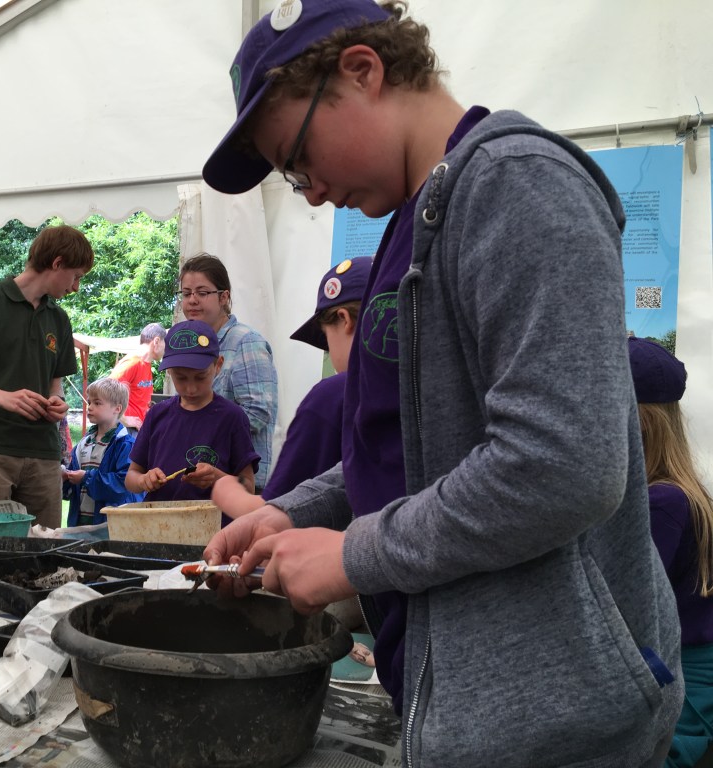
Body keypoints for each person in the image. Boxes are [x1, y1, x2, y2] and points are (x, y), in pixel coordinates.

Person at [200, 2, 682, 765]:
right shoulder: (414, 224)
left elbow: (561, 467)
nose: (311, 190)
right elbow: (415, 453)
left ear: (362, 71)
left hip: (558, 724)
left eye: (296, 158)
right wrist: (290, 516)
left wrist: (354, 555)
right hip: (466, 710)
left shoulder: (519, 186)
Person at [0, 225, 94, 529]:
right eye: (76, 276)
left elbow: (56, 384)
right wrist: (3, 397)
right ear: (57, 263)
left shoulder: (58, 318)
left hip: (45, 456)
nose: (75, 287)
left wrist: (58, 403)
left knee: (44, 554)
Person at [214, 256, 370, 515]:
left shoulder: (331, 398)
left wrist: (227, 490)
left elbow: (277, 508)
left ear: (344, 320)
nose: (329, 354)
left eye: (326, 340)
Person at [628, 337, 713, 768]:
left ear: (637, 423)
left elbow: (626, 611)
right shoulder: (683, 491)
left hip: (688, 681)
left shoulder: (662, 502)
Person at [125, 320, 259, 502]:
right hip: (159, 524)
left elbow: (249, 487)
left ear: (218, 365)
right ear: (169, 372)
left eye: (200, 377)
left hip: (213, 525)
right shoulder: (157, 415)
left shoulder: (232, 418)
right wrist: (144, 480)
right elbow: (131, 477)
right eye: (180, 378)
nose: (190, 389)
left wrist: (217, 477)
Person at [178, 254, 277, 493]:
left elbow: (259, 411)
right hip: (199, 484)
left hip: (240, 485)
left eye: (202, 293)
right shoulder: (185, 343)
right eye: (186, 293)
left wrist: (199, 424)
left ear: (224, 297)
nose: (192, 300)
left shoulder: (246, 341)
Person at [63, 378, 143, 526]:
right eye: (89, 402)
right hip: (80, 522)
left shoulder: (126, 445)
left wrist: (86, 477)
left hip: (110, 525)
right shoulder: (83, 445)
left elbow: (123, 483)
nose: (90, 407)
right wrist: (66, 478)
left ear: (117, 409)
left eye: (97, 403)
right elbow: (73, 486)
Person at [109, 323, 166, 432]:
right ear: (157, 341)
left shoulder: (146, 364)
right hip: (127, 430)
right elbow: (105, 392)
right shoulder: (132, 362)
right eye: (165, 343)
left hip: (139, 429)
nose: (166, 348)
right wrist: (124, 419)